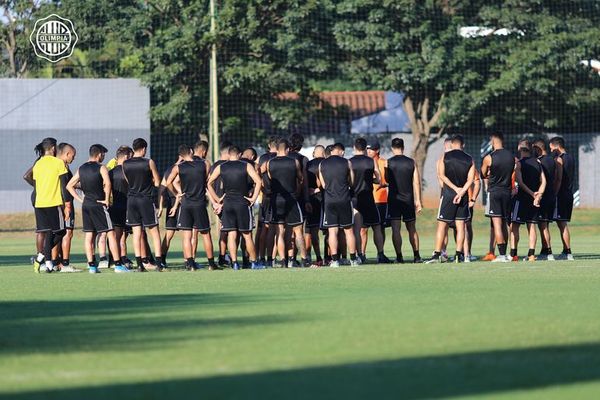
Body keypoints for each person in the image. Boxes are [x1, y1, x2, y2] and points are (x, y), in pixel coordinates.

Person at [66, 144, 130, 273]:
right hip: (99, 204)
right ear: (99, 154)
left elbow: (69, 185)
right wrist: (106, 199)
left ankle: (92, 266)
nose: (104, 156)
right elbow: (107, 183)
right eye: (103, 154)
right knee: (110, 233)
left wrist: (80, 200)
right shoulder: (102, 168)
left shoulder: (81, 168)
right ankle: (118, 265)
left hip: (86, 205)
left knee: (89, 235)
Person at [207, 146, 262, 270]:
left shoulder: (221, 167)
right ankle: (254, 262)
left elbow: (209, 183)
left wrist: (217, 199)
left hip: (228, 204)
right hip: (242, 204)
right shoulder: (246, 165)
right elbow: (258, 181)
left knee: (232, 234)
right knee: (247, 235)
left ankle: (235, 263)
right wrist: (253, 198)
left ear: (229, 154)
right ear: (239, 154)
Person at [165, 145, 219, 270]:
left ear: (181, 155)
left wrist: (177, 194)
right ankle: (211, 264)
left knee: (187, 235)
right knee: (206, 234)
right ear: (191, 152)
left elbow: (169, 182)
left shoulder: (178, 167)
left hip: (186, 204)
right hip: (199, 203)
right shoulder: (204, 164)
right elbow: (206, 182)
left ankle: (190, 264)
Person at [427, 135, 475, 263]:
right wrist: (462, 191)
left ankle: (437, 254)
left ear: (452, 144)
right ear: (463, 145)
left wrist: (455, 189)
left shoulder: (444, 157)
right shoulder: (469, 159)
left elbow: (441, 176)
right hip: (463, 196)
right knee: (461, 226)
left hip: (448, 195)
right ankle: (459, 255)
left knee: (442, 225)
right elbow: (471, 180)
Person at [122, 138, 166, 272]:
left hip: (132, 200)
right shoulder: (149, 162)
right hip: (146, 199)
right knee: (154, 231)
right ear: (144, 149)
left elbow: (128, 180)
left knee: (136, 233)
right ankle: (158, 264)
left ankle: (140, 265)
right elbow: (158, 183)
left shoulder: (125, 163)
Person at [267, 138, 309, 268]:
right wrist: (296, 190)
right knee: (298, 230)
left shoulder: (270, 163)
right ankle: (303, 259)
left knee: (279, 231)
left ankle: (284, 261)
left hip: (276, 199)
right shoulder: (294, 162)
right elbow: (301, 178)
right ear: (287, 149)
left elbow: (269, 178)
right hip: (290, 199)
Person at [31, 138, 69, 273]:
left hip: (39, 204)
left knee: (49, 232)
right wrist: (68, 205)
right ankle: (43, 257)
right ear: (53, 148)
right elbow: (64, 187)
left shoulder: (37, 164)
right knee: (61, 231)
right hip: (53, 204)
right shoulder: (58, 163)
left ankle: (45, 262)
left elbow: (35, 187)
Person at [318, 143, 359, 267]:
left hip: (329, 201)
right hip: (344, 199)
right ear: (340, 151)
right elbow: (352, 182)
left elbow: (323, 185)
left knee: (332, 231)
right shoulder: (347, 163)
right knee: (348, 231)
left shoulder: (322, 164)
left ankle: (335, 260)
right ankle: (353, 259)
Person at [350, 137, 390, 264]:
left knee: (357, 229)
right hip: (368, 198)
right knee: (377, 227)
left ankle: (359, 255)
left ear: (354, 148)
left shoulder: (349, 162)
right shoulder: (371, 161)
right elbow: (378, 179)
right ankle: (380, 254)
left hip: (355, 199)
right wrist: (369, 180)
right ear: (365, 148)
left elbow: (348, 181)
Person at [384, 138, 423, 263]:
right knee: (412, 228)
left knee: (396, 229)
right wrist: (418, 201)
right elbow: (416, 182)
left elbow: (387, 180)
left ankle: (399, 257)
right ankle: (416, 256)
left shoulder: (388, 162)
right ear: (403, 147)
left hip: (394, 200)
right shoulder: (411, 162)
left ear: (392, 148)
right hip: (408, 200)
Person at [480, 133, 515, 263]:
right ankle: (507, 254)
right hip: (507, 192)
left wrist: (489, 173)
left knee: (497, 224)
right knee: (505, 223)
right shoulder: (512, 157)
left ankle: (501, 255)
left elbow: (483, 174)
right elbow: (513, 172)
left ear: (493, 141)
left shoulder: (489, 158)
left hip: (494, 192)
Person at [509, 140, 545, 261]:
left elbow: (520, 182)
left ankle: (513, 254)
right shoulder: (538, 162)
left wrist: (532, 194)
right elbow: (544, 181)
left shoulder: (519, 163)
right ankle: (531, 254)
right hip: (533, 200)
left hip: (521, 199)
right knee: (532, 225)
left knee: (514, 226)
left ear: (520, 149)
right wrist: (538, 195)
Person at [549, 136, 574, 261]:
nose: (551, 150)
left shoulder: (559, 159)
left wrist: (554, 193)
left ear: (557, 146)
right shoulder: (571, 157)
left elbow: (558, 179)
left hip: (561, 194)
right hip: (569, 193)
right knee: (561, 223)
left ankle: (567, 251)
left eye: (552, 148)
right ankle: (566, 250)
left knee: (562, 223)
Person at [108, 146, 134, 268]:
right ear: (126, 157)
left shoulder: (110, 172)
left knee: (118, 235)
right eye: (130, 157)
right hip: (127, 207)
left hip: (115, 207)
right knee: (123, 235)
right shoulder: (128, 172)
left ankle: (119, 259)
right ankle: (118, 259)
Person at [533, 138, 559, 261]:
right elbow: (557, 178)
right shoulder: (554, 161)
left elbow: (540, 180)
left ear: (538, 148)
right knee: (544, 225)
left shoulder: (539, 161)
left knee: (543, 225)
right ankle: (544, 250)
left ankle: (548, 251)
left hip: (543, 196)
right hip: (551, 195)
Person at [55, 143, 78, 272]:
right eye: (73, 156)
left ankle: (54, 262)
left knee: (57, 233)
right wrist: (68, 204)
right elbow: (65, 186)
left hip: (54, 202)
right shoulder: (62, 166)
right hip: (64, 203)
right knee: (67, 232)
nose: (73, 158)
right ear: (67, 154)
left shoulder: (53, 165)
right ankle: (64, 264)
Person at [256, 136, 278, 267]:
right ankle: (272, 258)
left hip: (266, 196)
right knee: (277, 229)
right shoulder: (282, 158)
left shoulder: (263, 158)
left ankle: (262, 257)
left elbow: (257, 172)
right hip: (278, 196)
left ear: (269, 145)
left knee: (264, 228)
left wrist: (262, 187)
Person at [210, 141, 233, 267]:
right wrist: (221, 202)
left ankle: (223, 256)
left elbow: (208, 185)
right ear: (229, 154)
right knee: (230, 231)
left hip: (218, 203)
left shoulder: (213, 166)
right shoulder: (226, 166)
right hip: (227, 202)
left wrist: (214, 202)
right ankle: (224, 257)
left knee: (224, 230)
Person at [160, 154, 183, 266]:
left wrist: (160, 206)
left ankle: (162, 260)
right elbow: (168, 186)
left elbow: (162, 189)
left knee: (169, 234)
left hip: (171, 203)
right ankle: (188, 260)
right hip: (180, 203)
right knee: (187, 233)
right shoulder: (182, 168)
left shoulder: (168, 170)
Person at [306, 145, 325, 266]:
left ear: (313, 153)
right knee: (329, 231)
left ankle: (310, 256)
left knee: (310, 231)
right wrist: (319, 190)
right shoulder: (326, 163)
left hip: (309, 200)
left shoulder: (307, 165)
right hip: (324, 200)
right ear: (324, 153)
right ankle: (330, 257)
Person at [367, 139, 389, 247]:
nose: (369, 151)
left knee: (380, 227)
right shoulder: (365, 163)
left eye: (371, 149)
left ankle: (381, 252)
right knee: (363, 229)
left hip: (381, 200)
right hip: (368, 199)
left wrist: (382, 182)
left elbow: (388, 181)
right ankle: (362, 254)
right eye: (368, 149)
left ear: (377, 151)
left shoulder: (384, 162)